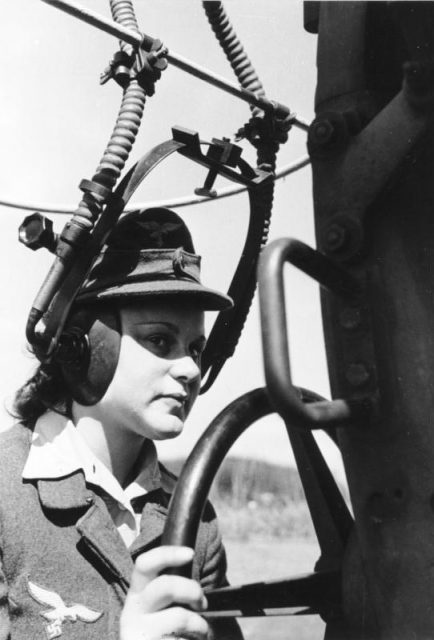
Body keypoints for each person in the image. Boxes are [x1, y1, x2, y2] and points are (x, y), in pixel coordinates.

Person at [3, 207, 243, 639]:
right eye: (160, 340)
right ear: (87, 347)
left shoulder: (195, 521)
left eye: (195, 347)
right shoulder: (4, 492)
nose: (190, 369)